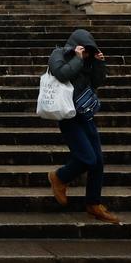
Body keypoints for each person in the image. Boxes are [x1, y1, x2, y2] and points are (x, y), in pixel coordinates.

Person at [47, 28, 119, 224]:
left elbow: (97, 82)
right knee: (87, 158)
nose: (86, 53)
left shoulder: (89, 59)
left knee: (98, 162)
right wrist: (77, 59)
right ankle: (59, 177)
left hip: (85, 114)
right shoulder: (59, 54)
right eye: (84, 50)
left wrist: (99, 63)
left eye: (89, 50)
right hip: (68, 115)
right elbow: (62, 74)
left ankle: (93, 204)